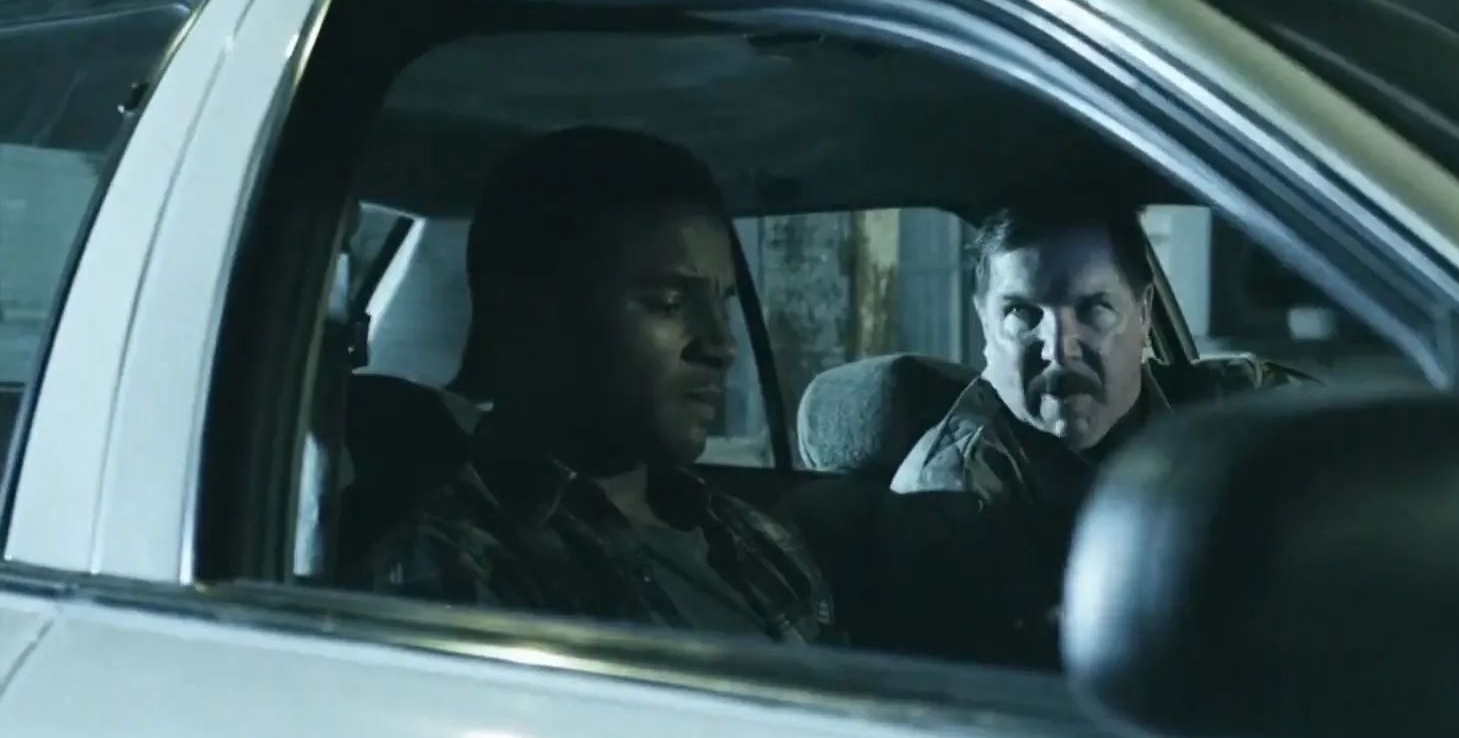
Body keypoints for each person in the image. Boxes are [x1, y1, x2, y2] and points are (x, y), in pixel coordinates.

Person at [348, 126, 836, 645]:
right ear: (527, 316)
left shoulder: (755, 538)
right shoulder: (458, 566)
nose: (722, 345)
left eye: (723, 305)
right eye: (670, 304)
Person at [893, 198, 1307, 509]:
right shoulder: (953, 493)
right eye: (1021, 313)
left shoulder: (1243, 406)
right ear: (985, 323)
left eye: (1093, 309)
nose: (1059, 348)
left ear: (1144, 315)